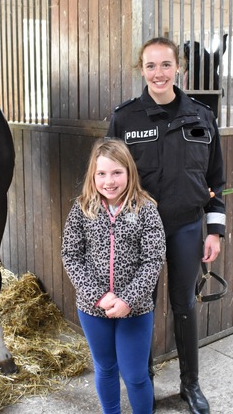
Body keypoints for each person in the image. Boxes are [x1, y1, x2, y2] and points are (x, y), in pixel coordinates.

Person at [107, 37, 226, 414]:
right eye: (150, 66)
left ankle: (190, 385)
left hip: (186, 226)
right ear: (141, 70)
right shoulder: (125, 118)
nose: (158, 73)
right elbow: (108, 175)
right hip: (138, 232)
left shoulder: (202, 116)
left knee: (184, 305)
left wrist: (214, 229)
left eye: (166, 65)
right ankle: (142, 381)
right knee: (140, 306)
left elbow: (216, 177)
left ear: (179, 68)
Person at [61, 137, 166, 414]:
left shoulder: (146, 210)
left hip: (136, 310)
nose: (110, 181)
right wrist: (99, 297)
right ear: (92, 176)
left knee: (135, 375)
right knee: (105, 368)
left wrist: (128, 300)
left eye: (117, 172)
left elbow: (153, 260)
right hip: (93, 309)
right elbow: (71, 256)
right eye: (102, 173)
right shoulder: (82, 209)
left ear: (129, 172)